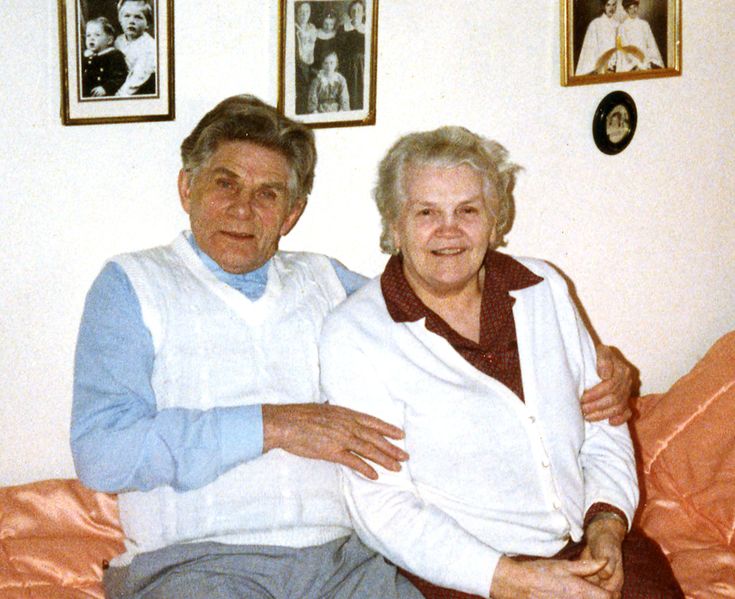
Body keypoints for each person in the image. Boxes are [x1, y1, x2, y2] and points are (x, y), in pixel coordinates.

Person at [71, 95, 632, 598]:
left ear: (292, 213)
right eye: (225, 183)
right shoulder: (132, 286)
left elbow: (441, 306)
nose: (243, 208)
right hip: (198, 563)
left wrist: (601, 369)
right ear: (186, 188)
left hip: (345, 563)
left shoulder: (327, 283)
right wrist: (273, 425)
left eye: (268, 194)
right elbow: (102, 451)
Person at [319, 126, 685, 598]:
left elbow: (603, 424)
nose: (448, 230)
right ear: (393, 225)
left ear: (495, 222)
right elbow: (382, 505)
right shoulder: (357, 333)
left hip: (591, 546)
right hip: (467, 574)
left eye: (468, 210)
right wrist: (514, 581)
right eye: (426, 212)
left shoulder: (544, 288)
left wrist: (607, 525)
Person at [114, 0, 156, 96]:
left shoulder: (149, 46)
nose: (131, 21)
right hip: (119, 83)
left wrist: (118, 96)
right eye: (127, 16)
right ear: (120, 20)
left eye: (138, 17)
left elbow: (139, 76)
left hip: (138, 89)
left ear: (148, 24)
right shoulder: (118, 40)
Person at [82, 16, 128, 98]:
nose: (91, 39)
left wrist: (106, 88)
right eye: (88, 35)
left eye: (97, 35)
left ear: (109, 40)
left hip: (105, 95)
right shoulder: (87, 56)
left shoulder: (114, 56)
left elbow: (119, 77)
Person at [617, 0, 664, 72]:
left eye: (635, 7)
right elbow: (623, 49)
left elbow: (651, 45)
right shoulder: (622, 27)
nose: (633, 10)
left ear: (638, 7)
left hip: (646, 64)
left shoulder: (644, 25)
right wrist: (634, 66)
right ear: (626, 10)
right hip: (630, 67)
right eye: (630, 8)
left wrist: (650, 62)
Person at [576, 0, 620, 75]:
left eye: (613, 5)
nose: (611, 8)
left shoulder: (618, 25)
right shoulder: (595, 24)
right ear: (603, 6)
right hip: (599, 69)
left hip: (615, 69)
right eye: (608, 5)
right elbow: (590, 51)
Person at [337, 0, 366, 110]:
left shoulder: (367, 29)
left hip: (362, 68)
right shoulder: (343, 29)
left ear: (363, 13)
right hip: (346, 67)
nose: (356, 13)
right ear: (350, 13)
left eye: (359, 10)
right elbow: (338, 50)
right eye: (353, 10)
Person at [294, 2, 317, 114]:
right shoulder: (293, 28)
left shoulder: (312, 28)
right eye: (301, 12)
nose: (304, 15)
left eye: (307, 11)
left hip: (310, 65)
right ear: (296, 14)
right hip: (297, 65)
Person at [313, 11, 339, 76]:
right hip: (318, 64)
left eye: (331, 24)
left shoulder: (335, 35)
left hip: (330, 65)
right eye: (326, 24)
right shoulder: (316, 33)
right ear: (322, 23)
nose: (328, 27)